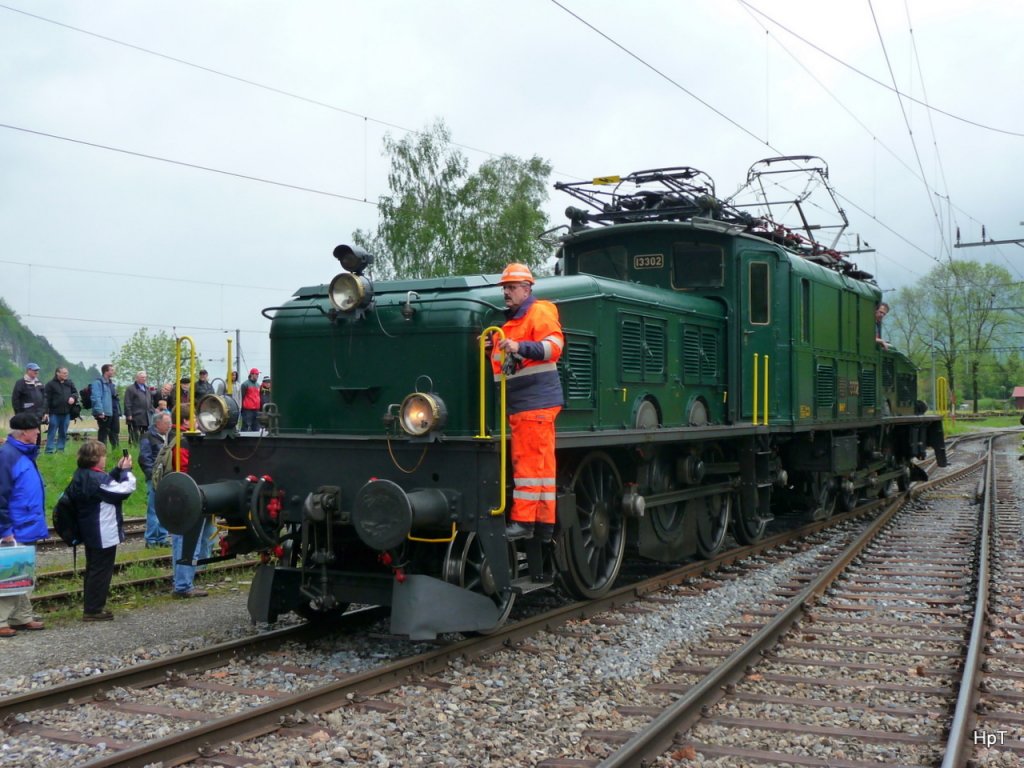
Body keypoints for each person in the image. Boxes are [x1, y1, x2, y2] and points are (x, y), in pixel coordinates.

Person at [489, 263, 564, 542]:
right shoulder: (509, 325)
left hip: (534, 402)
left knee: (528, 465)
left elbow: (554, 347)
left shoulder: (539, 312)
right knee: (543, 468)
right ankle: (544, 525)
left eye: (511, 287)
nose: (506, 292)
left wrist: (520, 347)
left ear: (527, 288)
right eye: (504, 288)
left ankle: (523, 522)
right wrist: (491, 348)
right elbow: (502, 367)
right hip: (527, 403)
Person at [66, 439, 136, 620]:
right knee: (101, 571)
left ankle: (92, 606)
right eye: (103, 456)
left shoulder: (82, 474)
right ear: (96, 458)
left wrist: (117, 470)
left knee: (93, 568)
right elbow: (124, 490)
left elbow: (106, 486)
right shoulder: (97, 479)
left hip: (89, 529)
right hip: (102, 531)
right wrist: (127, 472)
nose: (105, 460)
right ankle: (94, 609)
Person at [0, 412, 48, 636]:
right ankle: (1, 621)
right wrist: (5, 529)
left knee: (24, 571)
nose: (38, 432)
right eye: (35, 429)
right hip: (16, 526)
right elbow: (1, 496)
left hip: (26, 523)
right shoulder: (8, 456)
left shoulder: (23, 453)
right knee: (9, 573)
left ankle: (21, 617)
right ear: (24, 433)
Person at [166, 427, 212, 598]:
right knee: (188, 541)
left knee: (183, 541)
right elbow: (188, 470)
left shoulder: (178, 440)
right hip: (189, 496)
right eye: (192, 417)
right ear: (185, 421)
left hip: (184, 494)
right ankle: (183, 585)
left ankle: (182, 582)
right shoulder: (185, 443)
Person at [137, 411, 172, 548]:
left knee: (164, 509)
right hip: (155, 478)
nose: (169, 426)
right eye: (166, 423)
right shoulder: (147, 437)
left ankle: (162, 537)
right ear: (158, 424)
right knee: (153, 509)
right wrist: (153, 475)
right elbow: (144, 458)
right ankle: (151, 539)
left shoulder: (168, 437)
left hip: (167, 477)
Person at [43, 367, 78, 454]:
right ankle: (49, 450)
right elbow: (46, 399)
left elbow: (75, 393)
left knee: (63, 432)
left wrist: (73, 397)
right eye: (64, 373)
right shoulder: (50, 384)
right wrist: (46, 412)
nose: (66, 374)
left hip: (66, 413)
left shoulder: (69, 383)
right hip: (54, 413)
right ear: (57, 373)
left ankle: (60, 450)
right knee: (52, 432)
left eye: (67, 373)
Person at [11, 363, 47, 446]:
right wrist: (19, 414)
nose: (37, 372)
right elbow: (15, 399)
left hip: (38, 414)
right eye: (35, 370)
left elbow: (45, 397)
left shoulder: (39, 383)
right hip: (26, 415)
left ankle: (36, 451)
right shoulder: (20, 383)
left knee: (37, 434)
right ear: (28, 370)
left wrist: (44, 411)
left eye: (37, 370)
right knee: (26, 434)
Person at [91, 363, 120, 447]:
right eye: (111, 370)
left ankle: (116, 453)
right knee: (103, 434)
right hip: (104, 413)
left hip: (113, 412)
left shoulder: (111, 384)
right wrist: (99, 411)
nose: (113, 372)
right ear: (106, 371)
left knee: (114, 433)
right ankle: (101, 453)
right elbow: (96, 397)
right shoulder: (98, 383)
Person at [124, 371, 153, 446]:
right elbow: (127, 402)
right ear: (137, 378)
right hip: (135, 416)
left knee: (145, 435)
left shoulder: (147, 389)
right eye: (142, 377)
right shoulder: (131, 389)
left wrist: (153, 410)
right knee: (135, 434)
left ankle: (144, 447)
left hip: (146, 416)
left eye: (145, 377)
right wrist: (129, 414)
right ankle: (134, 447)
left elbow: (150, 402)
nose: (144, 379)